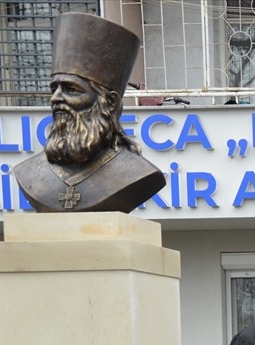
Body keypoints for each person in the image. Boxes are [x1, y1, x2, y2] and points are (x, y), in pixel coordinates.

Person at [12, 13, 165, 212]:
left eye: (71, 90)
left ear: (109, 102)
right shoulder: (29, 173)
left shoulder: (138, 173)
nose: (56, 98)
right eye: (54, 89)